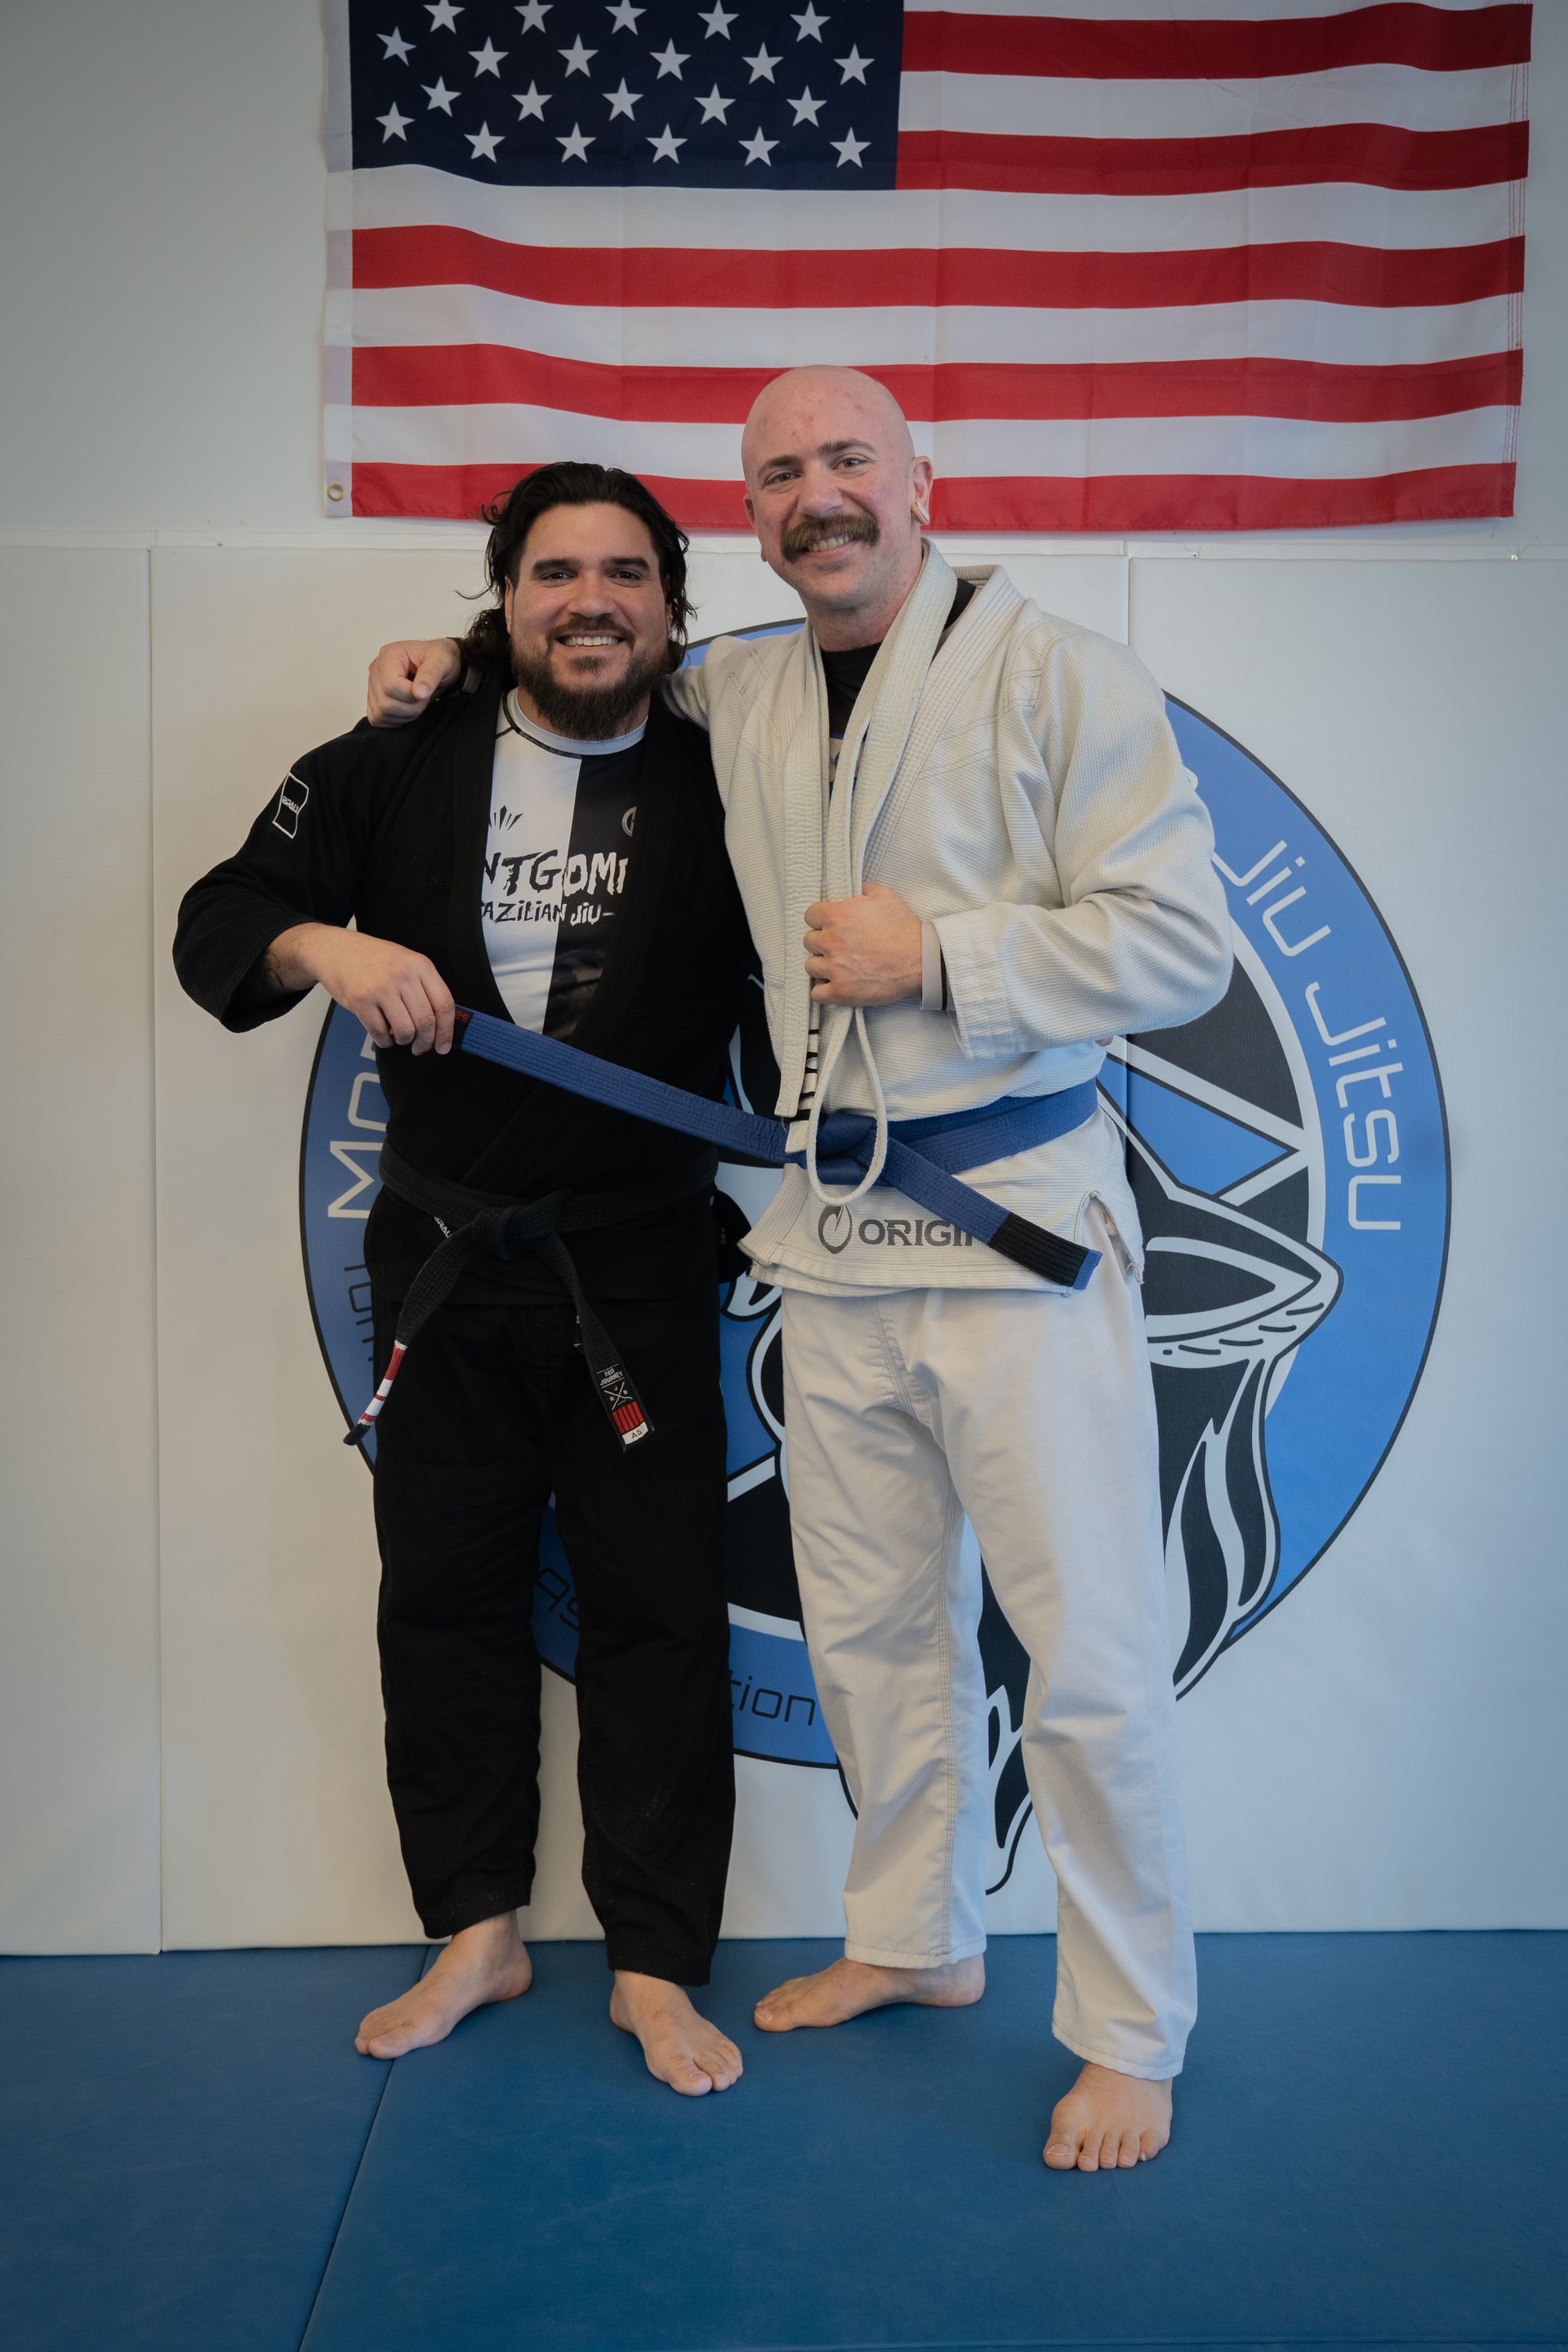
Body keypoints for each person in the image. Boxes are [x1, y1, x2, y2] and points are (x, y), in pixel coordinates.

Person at [364, 368, 1233, 2170]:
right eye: (778, 473)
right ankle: (915, 1939)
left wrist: (950, 955)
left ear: (926, 484)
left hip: (1018, 1237)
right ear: (750, 517)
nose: (815, 494)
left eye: (849, 460)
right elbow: (572, 664)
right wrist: (439, 671)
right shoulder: (737, 683)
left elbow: (1180, 945)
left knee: (1081, 1650)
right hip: (831, 1240)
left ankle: (1132, 2024)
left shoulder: (1063, 672)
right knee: (869, 1630)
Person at [174, 463, 755, 2097]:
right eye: (558, 571)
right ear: (501, 599)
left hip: (634, 1269)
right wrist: (332, 949)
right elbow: (221, 923)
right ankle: (478, 1931)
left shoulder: (734, 773)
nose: (594, 599)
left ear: (670, 602)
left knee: (656, 1618)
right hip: (439, 1263)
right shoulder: (403, 755)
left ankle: (653, 1962)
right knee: (443, 1605)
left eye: (627, 572)